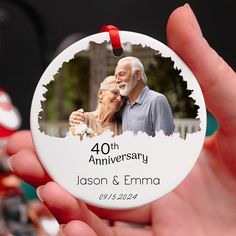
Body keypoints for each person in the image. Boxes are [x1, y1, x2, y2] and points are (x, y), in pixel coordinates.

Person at [5, 4, 236, 235]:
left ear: (137, 75)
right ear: (99, 94)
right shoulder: (86, 119)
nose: (118, 94)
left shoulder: (152, 104)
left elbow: (168, 145)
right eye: (113, 84)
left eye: (121, 80)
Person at [114, 56, 174, 136]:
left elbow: (165, 142)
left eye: (122, 74)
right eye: (116, 76)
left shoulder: (157, 101)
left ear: (138, 74)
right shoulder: (123, 104)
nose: (117, 80)